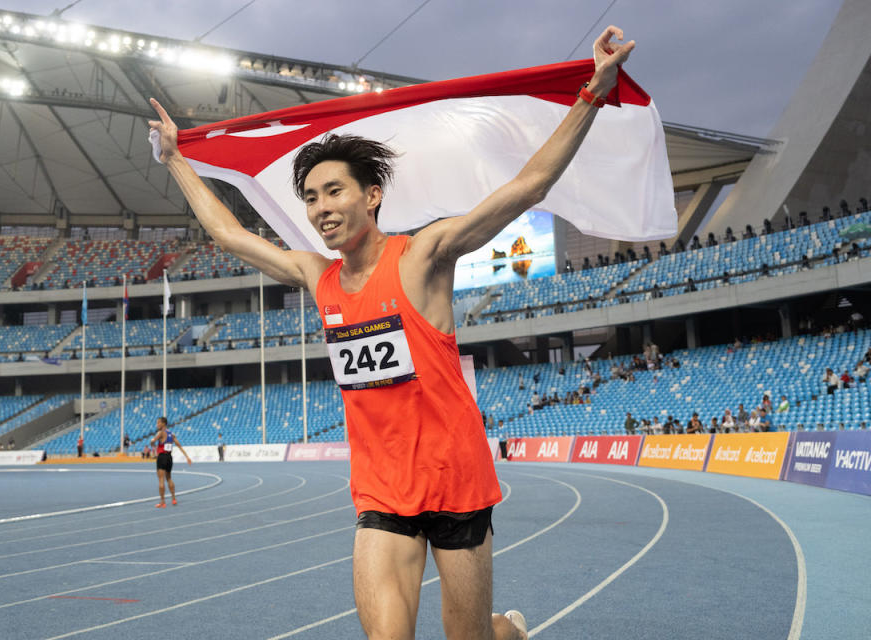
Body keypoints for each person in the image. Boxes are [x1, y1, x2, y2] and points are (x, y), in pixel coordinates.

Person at [149, 25, 635, 640]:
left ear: (372, 195)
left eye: (334, 191)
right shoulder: (314, 274)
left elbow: (527, 187)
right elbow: (230, 235)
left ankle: (509, 631)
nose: (321, 208)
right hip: (382, 493)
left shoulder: (423, 255)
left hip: (456, 482)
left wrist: (594, 89)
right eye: (310, 198)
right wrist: (177, 161)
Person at [149, 416, 192, 508]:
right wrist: (187, 457)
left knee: (161, 480)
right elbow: (179, 445)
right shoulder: (171, 434)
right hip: (169, 458)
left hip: (162, 457)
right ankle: (173, 499)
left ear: (163, 423)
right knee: (169, 478)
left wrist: (152, 443)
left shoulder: (160, 433)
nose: (157, 425)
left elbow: (152, 441)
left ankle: (162, 502)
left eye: (158, 423)